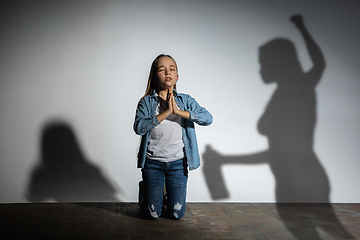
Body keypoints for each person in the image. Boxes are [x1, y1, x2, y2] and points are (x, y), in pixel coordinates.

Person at [133, 54, 213, 220]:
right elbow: (139, 128)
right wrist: (166, 113)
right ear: (155, 77)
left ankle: (166, 194)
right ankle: (146, 193)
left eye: (172, 69)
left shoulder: (185, 100)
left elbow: (208, 118)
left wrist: (178, 112)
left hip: (178, 163)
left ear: (177, 76)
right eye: (161, 70)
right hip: (153, 163)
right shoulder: (147, 103)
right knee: (152, 214)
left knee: (177, 214)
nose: (167, 72)